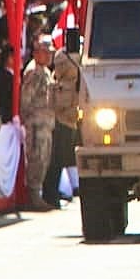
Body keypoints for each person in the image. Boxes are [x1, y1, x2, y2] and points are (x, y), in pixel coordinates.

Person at [21, 36, 57, 212]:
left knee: (44, 159)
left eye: (51, 53)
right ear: (37, 53)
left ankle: (38, 194)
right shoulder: (34, 72)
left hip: (46, 123)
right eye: (46, 52)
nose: (50, 56)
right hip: (36, 124)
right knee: (37, 158)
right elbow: (26, 99)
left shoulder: (45, 71)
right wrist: (28, 120)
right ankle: (34, 197)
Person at [46, 44, 82, 206]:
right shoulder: (60, 82)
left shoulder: (72, 79)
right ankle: (51, 195)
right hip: (62, 120)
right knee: (56, 160)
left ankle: (55, 194)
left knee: (62, 159)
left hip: (70, 120)